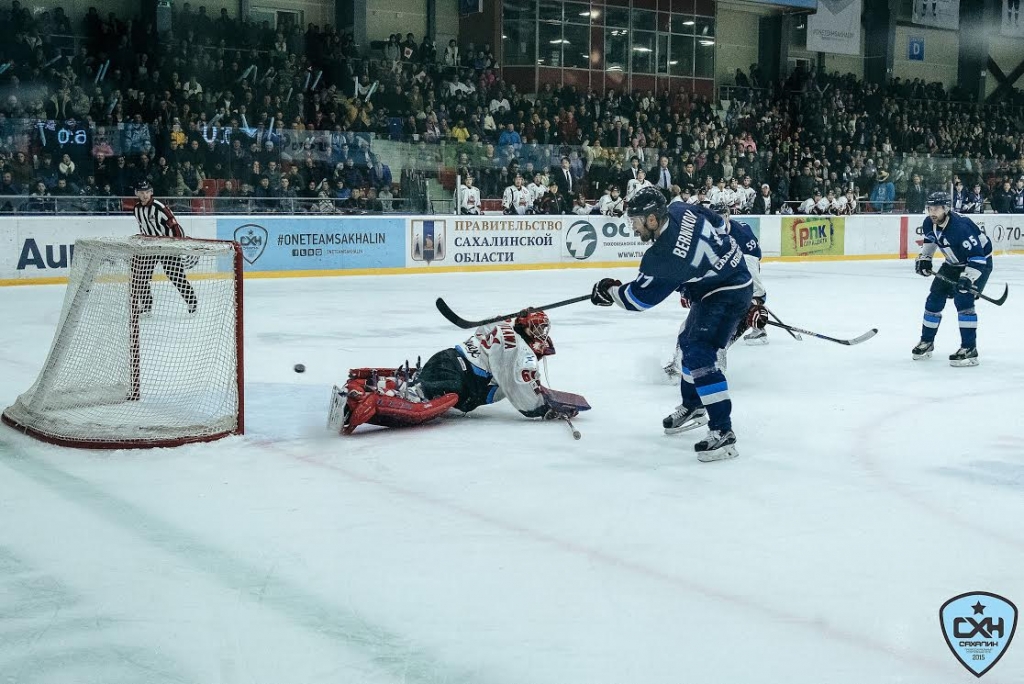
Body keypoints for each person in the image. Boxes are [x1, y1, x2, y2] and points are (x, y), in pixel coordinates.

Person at [589, 188, 763, 462]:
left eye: (635, 221)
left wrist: (609, 291)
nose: (632, 227)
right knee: (686, 343)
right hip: (722, 281)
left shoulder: (664, 256)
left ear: (652, 220)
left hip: (727, 291)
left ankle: (723, 433)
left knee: (699, 353)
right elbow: (720, 224)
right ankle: (694, 406)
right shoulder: (682, 209)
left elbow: (637, 300)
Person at [327, 311, 587, 434]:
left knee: (415, 386)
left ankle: (364, 384)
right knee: (421, 406)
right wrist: (544, 408)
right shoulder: (522, 354)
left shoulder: (505, 326)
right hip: (459, 379)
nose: (542, 336)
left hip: (447, 358)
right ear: (527, 330)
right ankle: (357, 404)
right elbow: (524, 397)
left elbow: (486, 331)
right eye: (539, 330)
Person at [664, 201, 768, 378]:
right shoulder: (702, 236)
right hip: (715, 291)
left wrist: (755, 304)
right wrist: (684, 290)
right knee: (686, 330)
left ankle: (713, 377)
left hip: (740, 292)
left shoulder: (742, 237)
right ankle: (678, 366)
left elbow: (754, 278)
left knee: (718, 342)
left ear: (728, 217)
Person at [912, 192, 993, 367]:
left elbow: (978, 257)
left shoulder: (960, 227)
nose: (932, 212)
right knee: (934, 299)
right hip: (953, 263)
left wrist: (968, 277)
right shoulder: (929, 222)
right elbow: (931, 240)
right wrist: (925, 258)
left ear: (946, 208)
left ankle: (969, 348)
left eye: (937, 208)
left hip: (979, 263)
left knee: (963, 300)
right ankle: (927, 342)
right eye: (930, 208)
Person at [130, 180, 198, 316]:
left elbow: (174, 225)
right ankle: (146, 305)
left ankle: (192, 302)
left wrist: (177, 243)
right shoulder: (136, 209)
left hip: (168, 246)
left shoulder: (159, 207)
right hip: (150, 247)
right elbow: (144, 227)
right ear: (137, 193)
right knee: (141, 276)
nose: (144, 195)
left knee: (175, 275)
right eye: (141, 192)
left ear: (151, 192)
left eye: (147, 192)